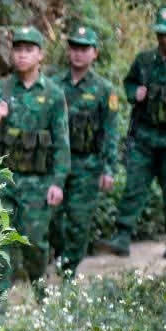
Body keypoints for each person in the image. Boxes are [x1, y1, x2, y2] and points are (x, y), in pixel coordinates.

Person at [96, 6, 166, 259]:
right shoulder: (144, 61)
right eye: (160, 34)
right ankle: (122, 236)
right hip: (144, 137)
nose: (164, 39)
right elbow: (129, 83)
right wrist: (135, 94)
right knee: (134, 187)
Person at [0, 26, 70, 296]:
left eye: (29, 50)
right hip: (0, 179)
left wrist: (58, 182)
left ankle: (40, 293)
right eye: (18, 49)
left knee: (35, 242)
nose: (22, 55)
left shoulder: (52, 95)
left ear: (40, 55)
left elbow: (61, 143)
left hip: (36, 181)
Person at [50, 25, 119, 276]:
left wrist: (109, 168)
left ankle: (68, 271)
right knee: (53, 220)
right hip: (56, 163)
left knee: (79, 222)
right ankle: (58, 257)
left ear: (94, 54)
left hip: (87, 164)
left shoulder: (104, 90)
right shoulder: (52, 85)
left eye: (84, 49)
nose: (78, 54)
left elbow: (110, 131)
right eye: (74, 48)